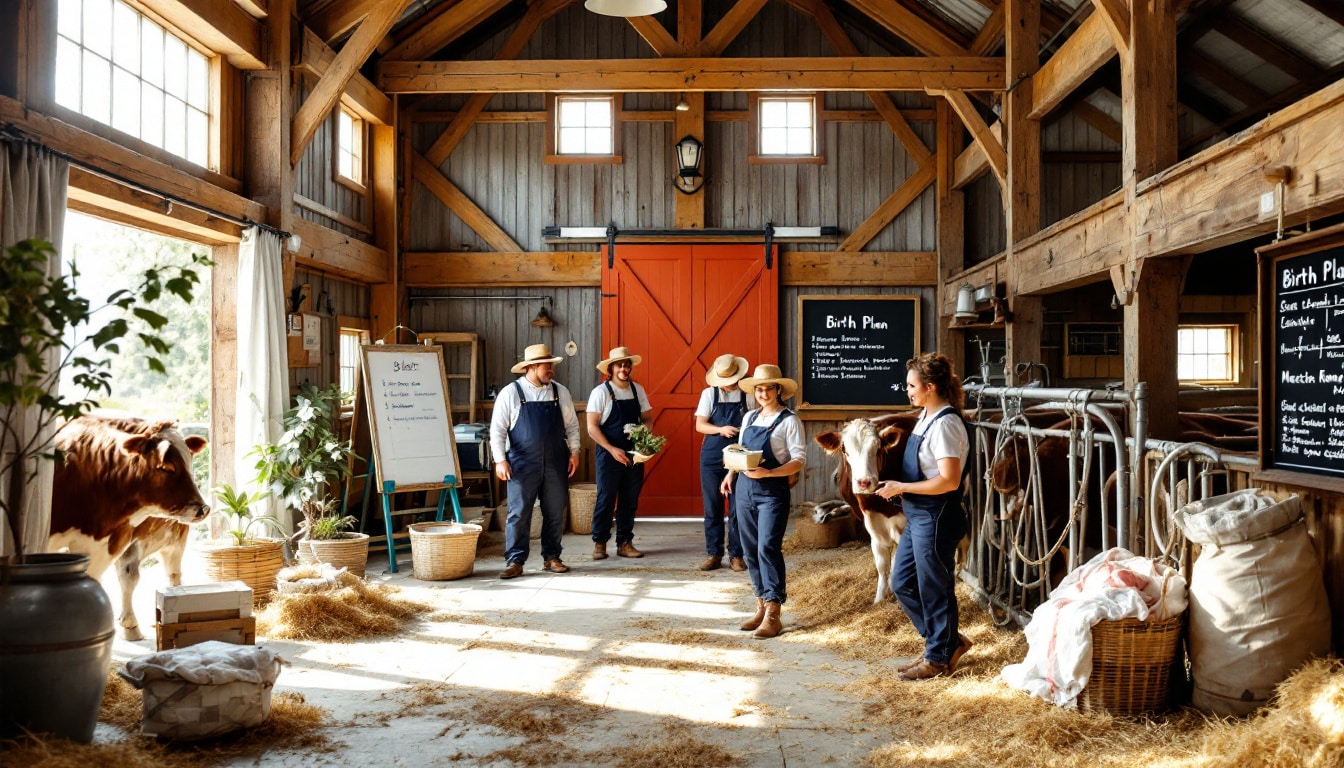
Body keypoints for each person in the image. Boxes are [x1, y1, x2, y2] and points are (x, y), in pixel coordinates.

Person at [875, 352, 973, 680]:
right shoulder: (927, 417)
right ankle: (946, 642)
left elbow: (949, 479)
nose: (908, 391)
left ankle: (938, 658)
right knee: (901, 583)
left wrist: (902, 486)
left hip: (937, 514)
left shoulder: (945, 423)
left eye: (912, 385)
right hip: (919, 513)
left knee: (934, 586)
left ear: (930, 387)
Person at [721, 364, 805, 639]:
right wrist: (731, 474)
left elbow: (798, 461)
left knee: (767, 547)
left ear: (779, 390)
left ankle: (773, 611)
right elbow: (740, 450)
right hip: (744, 488)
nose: (763, 393)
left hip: (772, 491)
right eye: (759, 388)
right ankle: (760, 603)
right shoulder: (749, 418)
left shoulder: (790, 421)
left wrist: (770, 472)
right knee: (749, 550)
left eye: (769, 388)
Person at [490, 343, 580, 579]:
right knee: (519, 513)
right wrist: (500, 460)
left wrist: (575, 452)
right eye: (546, 366)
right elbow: (497, 430)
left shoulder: (561, 392)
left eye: (551, 365)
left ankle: (552, 557)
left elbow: (572, 426)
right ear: (531, 367)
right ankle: (515, 561)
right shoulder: (511, 393)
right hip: (521, 463)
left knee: (555, 511)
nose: (551, 369)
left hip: (555, 462)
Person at [586, 346, 653, 560]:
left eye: (627, 365)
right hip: (609, 454)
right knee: (606, 498)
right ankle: (600, 542)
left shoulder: (637, 390)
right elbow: (592, 427)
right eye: (619, 365)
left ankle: (625, 542)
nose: (624, 368)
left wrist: (644, 439)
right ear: (611, 368)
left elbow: (647, 419)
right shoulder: (601, 392)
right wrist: (611, 449)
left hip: (634, 454)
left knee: (629, 499)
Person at [694, 353, 750, 572]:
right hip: (711, 456)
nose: (728, 385)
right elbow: (700, 425)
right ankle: (714, 554)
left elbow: (753, 425)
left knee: (738, 509)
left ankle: (736, 555)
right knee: (712, 507)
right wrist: (720, 429)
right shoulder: (709, 394)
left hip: (739, 457)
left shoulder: (749, 395)